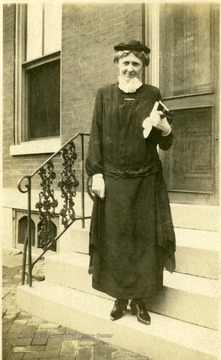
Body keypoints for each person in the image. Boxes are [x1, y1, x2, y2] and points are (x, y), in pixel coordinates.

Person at [86, 39, 176, 325]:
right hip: (114, 181)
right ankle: (119, 298)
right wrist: (96, 173)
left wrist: (165, 127)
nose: (130, 68)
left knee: (144, 242)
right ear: (117, 65)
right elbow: (96, 134)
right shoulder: (104, 95)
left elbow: (166, 140)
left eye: (135, 63)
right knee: (118, 241)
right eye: (125, 63)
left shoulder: (152, 94)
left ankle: (140, 301)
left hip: (146, 180)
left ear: (143, 67)